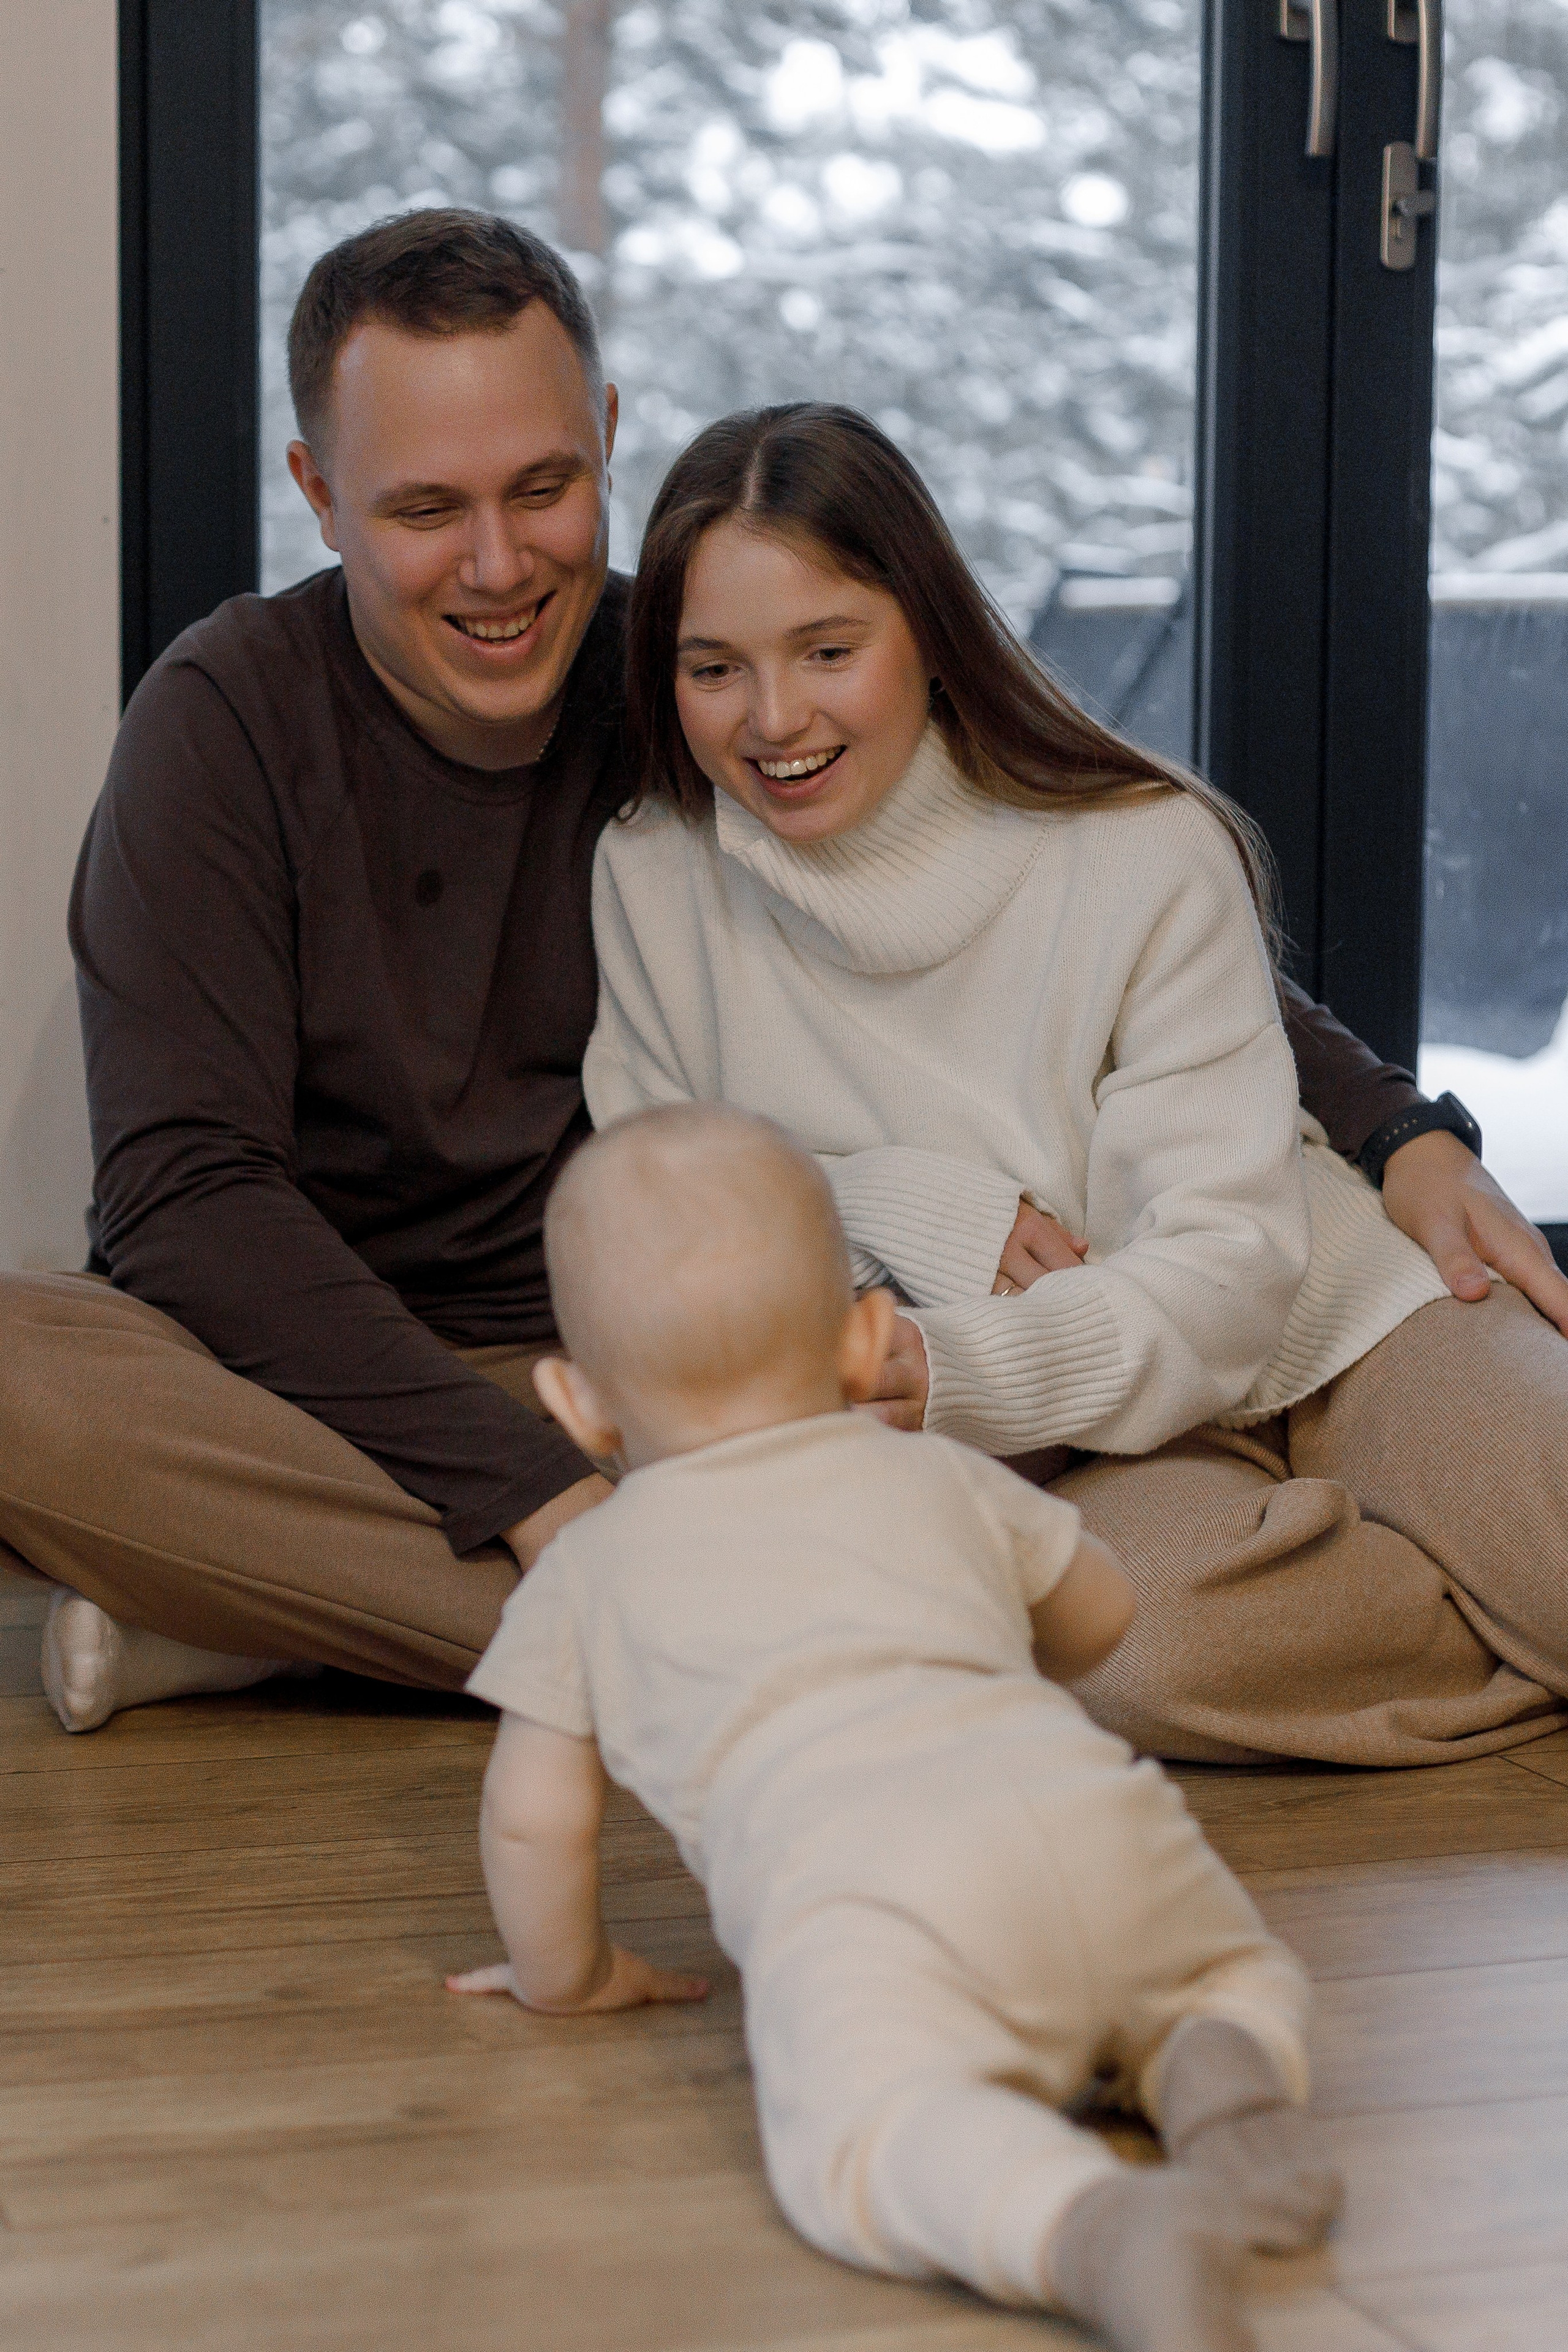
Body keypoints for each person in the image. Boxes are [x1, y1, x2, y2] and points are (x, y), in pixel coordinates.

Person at [0, 211, 1558, 1735]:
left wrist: (1390, 1123)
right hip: (379, 1362)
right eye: (423, 509)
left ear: (606, 439)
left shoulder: (692, 663)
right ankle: (539, 1601)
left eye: (542, 487)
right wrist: (525, 1490)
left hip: (724, 1362)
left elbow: (1105, 888)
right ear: (318, 494)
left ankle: (289, 1619)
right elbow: (184, 1195)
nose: (496, 564)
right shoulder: (243, 720)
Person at [584, 401, 1568, 1768]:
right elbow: (667, 1220)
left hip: (1326, 1324)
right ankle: (1503, 1615)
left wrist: (944, 1358)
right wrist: (884, 1200)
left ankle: (1484, 1577)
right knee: (1134, 1651)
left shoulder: (1139, 844)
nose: (774, 718)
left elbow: (1228, 1276)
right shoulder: (649, 876)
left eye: (828, 650)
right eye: (713, 669)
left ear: (931, 632)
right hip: (1078, 1434)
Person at [450, 1102, 1341, 2352]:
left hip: (871, 1905)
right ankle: (1222, 2079)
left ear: (572, 1402)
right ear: (868, 1339)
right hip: (1101, 1823)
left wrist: (572, 1979)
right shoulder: (939, 1472)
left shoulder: (586, 1571)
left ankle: (1089, 2227)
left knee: (868, 2137)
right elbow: (1101, 1613)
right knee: (1223, 1971)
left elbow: (534, 1821)